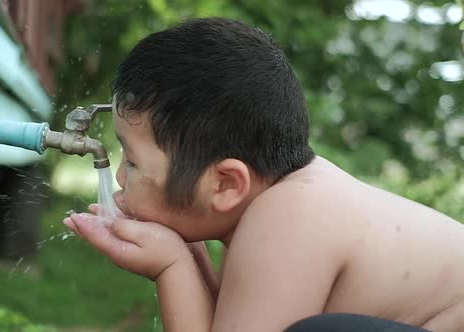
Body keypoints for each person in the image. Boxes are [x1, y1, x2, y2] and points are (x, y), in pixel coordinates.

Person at [63, 17, 464, 331]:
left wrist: (172, 268)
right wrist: (188, 256)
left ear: (225, 184)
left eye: (132, 162)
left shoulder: (288, 220)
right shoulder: (290, 198)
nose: (119, 178)